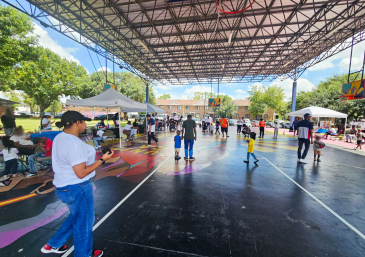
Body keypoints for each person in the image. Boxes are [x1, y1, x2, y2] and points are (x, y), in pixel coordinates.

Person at [41, 111, 114, 257]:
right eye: (84, 121)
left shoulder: (61, 137)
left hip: (64, 186)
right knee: (84, 223)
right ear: (77, 123)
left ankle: (54, 244)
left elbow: (72, 162)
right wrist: (103, 160)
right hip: (77, 187)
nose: (86, 124)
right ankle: (84, 254)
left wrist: (97, 157)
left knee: (78, 216)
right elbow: (81, 172)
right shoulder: (74, 144)